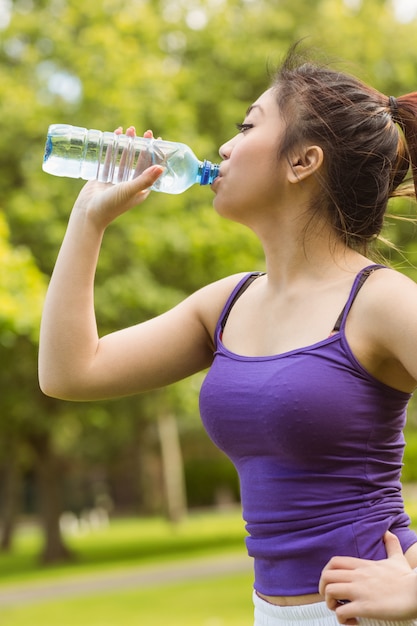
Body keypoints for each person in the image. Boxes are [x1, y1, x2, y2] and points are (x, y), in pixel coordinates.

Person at [39, 44, 417, 625]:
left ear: (303, 162)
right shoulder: (227, 303)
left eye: (247, 127)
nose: (223, 147)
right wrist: (88, 220)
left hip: (375, 612)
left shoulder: (382, 302)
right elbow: (70, 373)